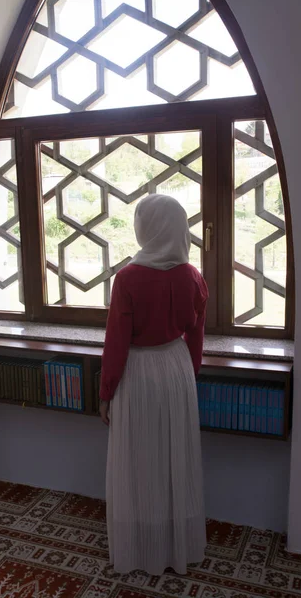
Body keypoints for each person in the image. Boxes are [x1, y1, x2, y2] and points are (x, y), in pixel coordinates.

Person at [99, 193, 208, 576]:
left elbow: (116, 341)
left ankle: (141, 546)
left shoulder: (128, 278)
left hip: (139, 371)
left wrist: (106, 392)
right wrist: (187, 378)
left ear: (145, 228)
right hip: (176, 368)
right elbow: (195, 337)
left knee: (140, 456)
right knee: (173, 456)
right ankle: (175, 543)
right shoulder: (191, 275)